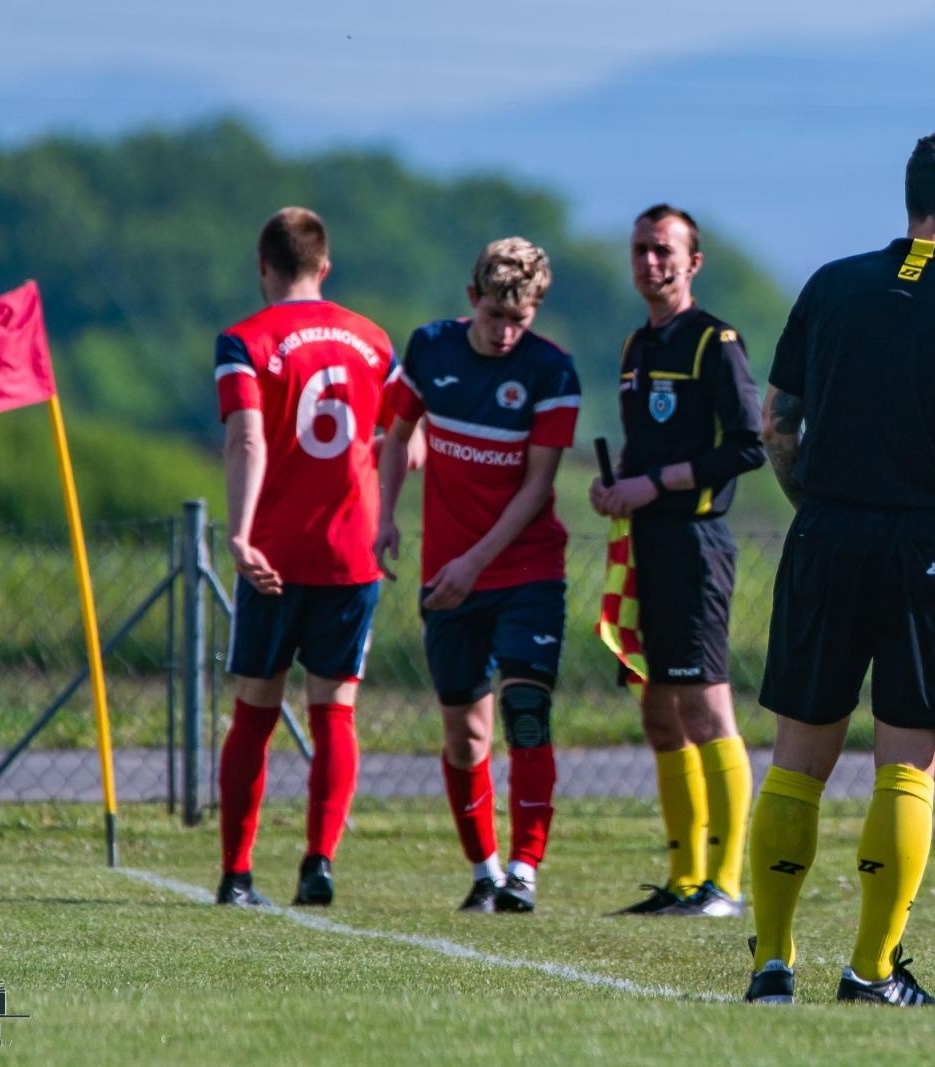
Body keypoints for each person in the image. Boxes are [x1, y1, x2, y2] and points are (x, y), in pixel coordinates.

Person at [745, 130, 935, 1005]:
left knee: (798, 759)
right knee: (907, 763)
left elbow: (776, 426)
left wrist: (821, 512)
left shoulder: (830, 285)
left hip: (825, 536)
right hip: (928, 549)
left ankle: (772, 964)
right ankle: (872, 969)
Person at [377, 237, 581, 915]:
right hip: (447, 571)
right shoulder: (430, 348)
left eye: (520, 319)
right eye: (496, 315)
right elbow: (397, 433)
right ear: (473, 299)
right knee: (465, 735)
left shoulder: (552, 371)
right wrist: (386, 518)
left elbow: (536, 486)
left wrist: (474, 562)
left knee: (525, 713)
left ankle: (526, 867)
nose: (506, 332)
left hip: (524, 568)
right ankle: (484, 868)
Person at [213, 206, 400, 908]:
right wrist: (390, 514)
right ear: (325, 267)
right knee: (335, 711)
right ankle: (319, 860)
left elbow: (247, 440)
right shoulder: (375, 341)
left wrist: (239, 533)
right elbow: (404, 442)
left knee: (255, 713)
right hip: (351, 550)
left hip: (274, 554)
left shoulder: (243, 340)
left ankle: (237, 873)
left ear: (263, 267)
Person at [589, 204, 765, 918]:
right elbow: (643, 447)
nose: (649, 262)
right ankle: (685, 876)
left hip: (697, 546)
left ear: (693, 261)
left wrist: (656, 484)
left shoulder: (714, 340)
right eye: (640, 250)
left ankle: (724, 883)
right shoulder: (637, 344)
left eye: (664, 250)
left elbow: (748, 444)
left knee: (704, 705)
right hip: (646, 546)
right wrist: (616, 488)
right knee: (659, 711)